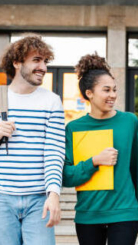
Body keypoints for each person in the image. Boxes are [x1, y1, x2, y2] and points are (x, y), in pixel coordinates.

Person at [62, 53, 138, 245]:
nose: (113, 95)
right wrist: (94, 161)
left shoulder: (129, 122)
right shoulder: (73, 128)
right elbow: (66, 176)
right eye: (106, 90)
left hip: (125, 212)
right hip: (88, 215)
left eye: (114, 90)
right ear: (89, 93)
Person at [0, 34, 65, 245]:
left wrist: (53, 193)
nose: (43, 67)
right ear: (17, 62)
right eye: (36, 60)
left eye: (45, 61)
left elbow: (54, 151)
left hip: (39, 199)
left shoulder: (52, 101)